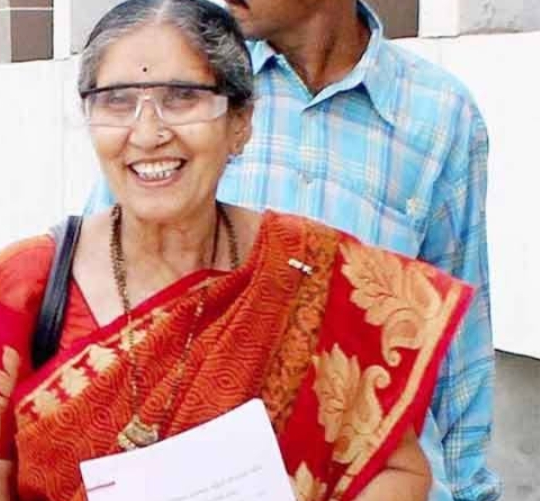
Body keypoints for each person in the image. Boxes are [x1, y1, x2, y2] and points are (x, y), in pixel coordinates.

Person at [0, 1, 474, 500]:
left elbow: (397, 471)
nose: (147, 133)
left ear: (240, 123)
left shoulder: (309, 269)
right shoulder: (24, 284)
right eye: (117, 101)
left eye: (181, 98)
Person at [85, 1, 499, 500]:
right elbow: (103, 290)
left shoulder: (440, 113)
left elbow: (458, 349)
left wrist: (469, 492)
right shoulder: (194, 83)